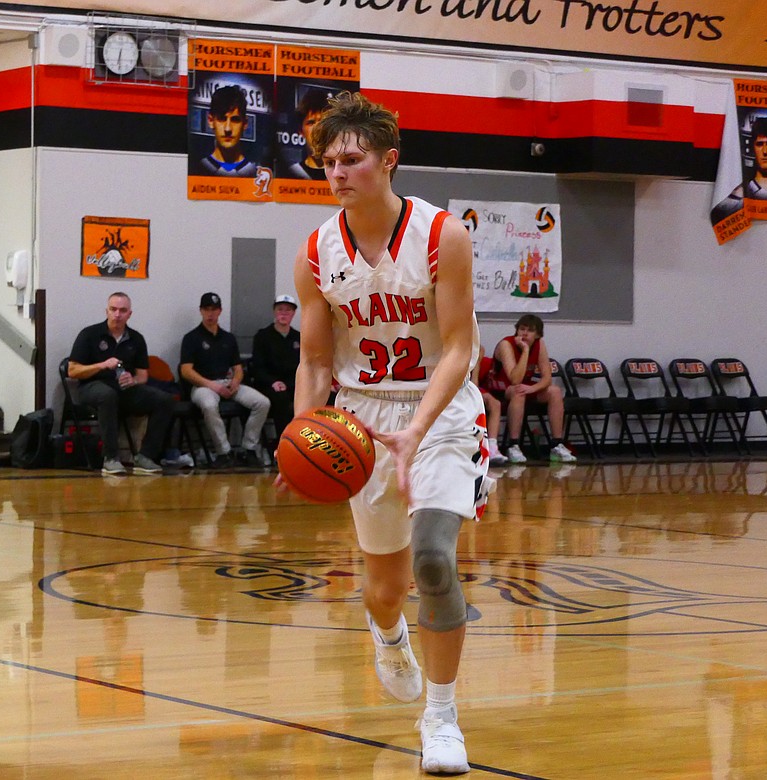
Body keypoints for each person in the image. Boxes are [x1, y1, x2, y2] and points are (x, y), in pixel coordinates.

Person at [285, 91, 491, 775]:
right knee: (384, 587)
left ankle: (440, 718)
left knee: (434, 559)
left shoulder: (442, 235)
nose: (338, 172)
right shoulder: (316, 250)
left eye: (351, 159)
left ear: (389, 160)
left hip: (441, 409)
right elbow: (315, 360)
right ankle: (387, 632)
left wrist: (419, 428)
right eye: (328, 163)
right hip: (363, 418)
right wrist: (301, 434)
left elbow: (459, 348)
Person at [68, 291, 175, 476]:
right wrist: (102, 365)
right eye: (113, 309)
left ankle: (145, 456)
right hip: (91, 387)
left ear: (129, 314)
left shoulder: (137, 339)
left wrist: (132, 380)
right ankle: (110, 458)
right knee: (107, 395)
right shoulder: (89, 334)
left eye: (122, 310)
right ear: (106, 311)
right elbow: (72, 370)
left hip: (124, 389)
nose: (117, 314)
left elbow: (143, 376)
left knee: (164, 399)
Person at [179, 292, 270, 469]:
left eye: (214, 309)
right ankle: (224, 452)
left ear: (220, 311)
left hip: (227, 383)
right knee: (208, 405)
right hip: (203, 386)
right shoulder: (191, 338)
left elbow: (237, 368)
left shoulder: (228, 338)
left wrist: (236, 381)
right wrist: (211, 385)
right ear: (201, 311)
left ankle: (248, 448)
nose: (210, 314)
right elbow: (186, 371)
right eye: (207, 309)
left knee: (262, 402)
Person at [490, 314, 576, 464]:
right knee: (518, 391)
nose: (524, 333)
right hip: (499, 389)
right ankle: (513, 445)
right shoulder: (506, 344)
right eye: (522, 329)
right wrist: (525, 351)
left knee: (554, 391)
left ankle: (556, 444)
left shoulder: (540, 344)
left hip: (524, 387)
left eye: (529, 331)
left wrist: (533, 389)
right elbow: (514, 379)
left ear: (537, 335)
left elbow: (547, 378)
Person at [250, 294, 300, 437]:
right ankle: (284, 443)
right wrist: (273, 382)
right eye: (280, 309)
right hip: (270, 385)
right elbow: (257, 368)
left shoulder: (299, 337)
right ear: (274, 311)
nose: (283, 313)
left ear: (293, 313)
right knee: (281, 398)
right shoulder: (263, 336)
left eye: (288, 310)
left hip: (294, 384)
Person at [196, 85, 257, 178]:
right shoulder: (198, 169)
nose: (227, 129)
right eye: (222, 119)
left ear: (245, 123)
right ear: (211, 121)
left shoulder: (255, 174)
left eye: (235, 120)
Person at [285, 88, 330, 180]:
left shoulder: (343, 174)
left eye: (322, 122)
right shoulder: (291, 174)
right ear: (301, 131)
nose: (318, 129)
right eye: (311, 123)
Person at [473, 346, 506, 465]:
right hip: (452, 386)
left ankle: (492, 447)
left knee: (495, 403)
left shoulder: (478, 349)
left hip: (470, 386)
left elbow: (474, 382)